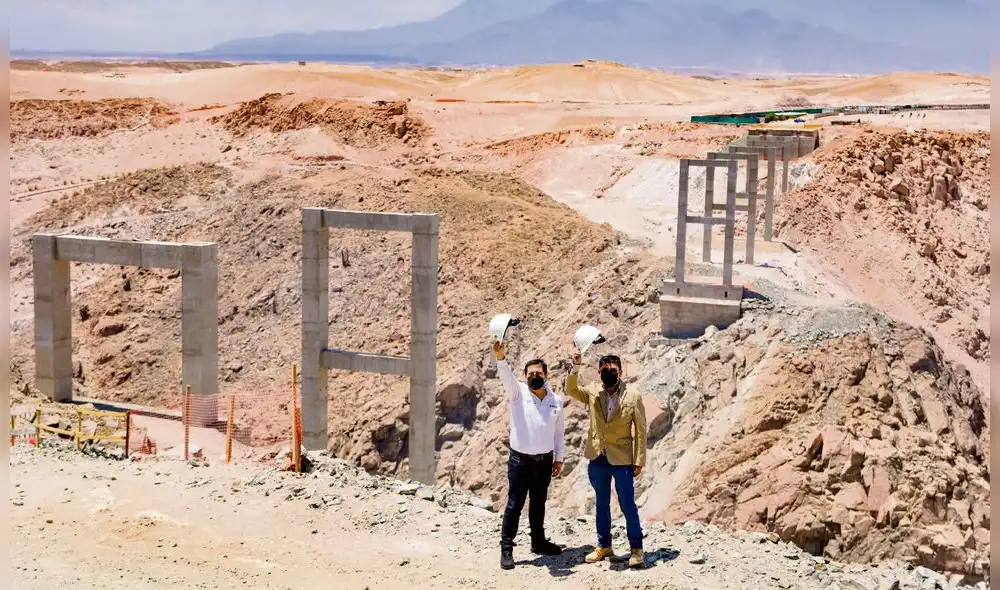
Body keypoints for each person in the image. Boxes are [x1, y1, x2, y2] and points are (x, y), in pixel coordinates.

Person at [565, 349, 648, 569]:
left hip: (622, 459)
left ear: (620, 372)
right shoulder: (593, 392)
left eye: (613, 370)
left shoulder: (633, 395)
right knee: (601, 504)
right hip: (597, 458)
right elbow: (570, 389)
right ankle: (604, 546)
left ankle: (636, 549)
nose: (609, 373)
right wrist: (576, 366)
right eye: (605, 370)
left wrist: (639, 460)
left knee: (627, 504)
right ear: (599, 372)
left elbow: (640, 431)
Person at [493, 340, 565, 570]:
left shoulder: (556, 401)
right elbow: (505, 375)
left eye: (538, 372)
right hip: (520, 461)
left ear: (546, 375)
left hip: (544, 461)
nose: (534, 375)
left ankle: (538, 542)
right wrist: (501, 356)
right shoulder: (517, 394)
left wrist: (559, 457)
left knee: (538, 504)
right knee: (514, 504)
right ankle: (506, 548)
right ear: (524, 376)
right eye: (530, 372)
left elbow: (559, 432)